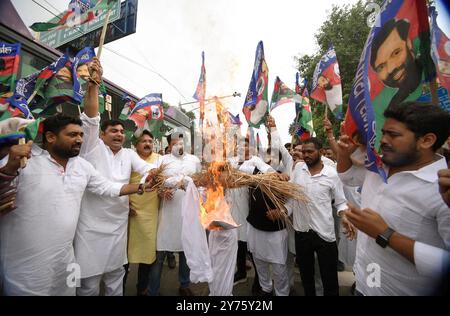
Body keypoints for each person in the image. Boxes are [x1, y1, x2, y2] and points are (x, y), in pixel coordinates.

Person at [0, 114, 148, 295]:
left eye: (80, 135)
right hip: (27, 268)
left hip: (65, 261)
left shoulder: (82, 166)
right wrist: (8, 169)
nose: (79, 140)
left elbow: (107, 187)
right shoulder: (23, 161)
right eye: (72, 135)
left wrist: (142, 186)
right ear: (50, 137)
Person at [337, 102, 450, 295]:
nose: (383, 140)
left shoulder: (443, 191)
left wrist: (385, 234)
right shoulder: (377, 166)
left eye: (394, 135)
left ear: (427, 140)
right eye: (384, 132)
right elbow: (348, 177)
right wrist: (343, 154)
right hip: (364, 285)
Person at [74, 58, 157, 296]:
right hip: (91, 230)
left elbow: (146, 169)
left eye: (122, 131)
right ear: (101, 134)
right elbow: (91, 118)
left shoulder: (129, 154)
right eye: (114, 131)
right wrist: (93, 84)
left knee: (114, 283)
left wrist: (155, 175)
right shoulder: (91, 147)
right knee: (89, 286)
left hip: (118, 230)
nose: (119, 134)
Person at [288, 137, 348, 296]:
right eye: (303, 151)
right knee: (306, 277)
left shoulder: (332, 174)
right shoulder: (298, 169)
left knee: (329, 278)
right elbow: (291, 197)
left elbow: (341, 202)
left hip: (325, 235)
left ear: (321, 152)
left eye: (310, 151)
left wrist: (345, 216)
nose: (305, 155)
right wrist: (283, 211)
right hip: (302, 233)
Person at [148, 132, 201, 296]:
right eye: (175, 143)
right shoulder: (162, 161)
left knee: (186, 250)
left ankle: (184, 285)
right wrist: (161, 192)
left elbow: (199, 183)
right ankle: (153, 291)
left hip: (188, 213)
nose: (179, 146)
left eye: (181, 143)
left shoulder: (194, 160)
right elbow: (153, 183)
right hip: (167, 215)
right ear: (169, 145)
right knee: (160, 253)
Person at [124, 130, 161, 296]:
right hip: (130, 211)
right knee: (124, 255)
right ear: (136, 144)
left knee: (147, 254)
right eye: (143, 141)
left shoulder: (160, 159)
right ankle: (120, 289)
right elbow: (120, 183)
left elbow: (163, 182)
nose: (147, 144)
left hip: (151, 212)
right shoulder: (129, 158)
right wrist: (125, 205)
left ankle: (142, 289)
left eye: (150, 141)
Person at [370, 19, 423, 107]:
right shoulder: (392, 108)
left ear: (409, 43)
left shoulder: (437, 66)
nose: (390, 69)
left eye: (396, 53)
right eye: (381, 67)